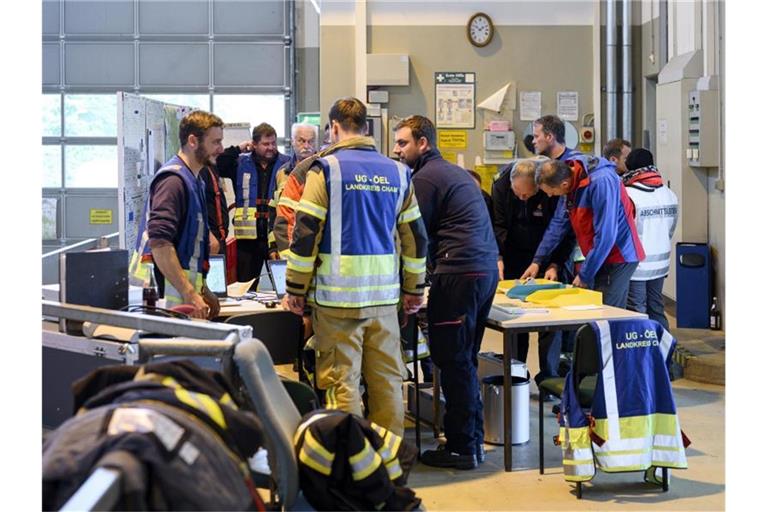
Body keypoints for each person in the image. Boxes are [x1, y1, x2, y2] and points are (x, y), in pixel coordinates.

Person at [284, 97, 428, 437]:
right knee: (388, 382)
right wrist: (414, 288)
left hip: (337, 304)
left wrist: (295, 288)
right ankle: (390, 465)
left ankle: (351, 468)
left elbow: (305, 234)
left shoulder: (327, 170)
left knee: (342, 385)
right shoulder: (398, 172)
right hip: (384, 302)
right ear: (366, 127)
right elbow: (416, 238)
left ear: (334, 127)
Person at [393, 115, 498, 470]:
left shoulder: (425, 179)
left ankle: (461, 448)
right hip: (480, 271)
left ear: (423, 143)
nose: (396, 149)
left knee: (452, 360)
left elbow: (414, 236)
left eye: (403, 142)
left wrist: (410, 286)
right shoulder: (451, 172)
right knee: (464, 358)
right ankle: (471, 440)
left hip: (458, 273)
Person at [129, 110, 224, 319]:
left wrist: (203, 290)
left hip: (178, 297)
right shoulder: (173, 182)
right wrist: (190, 293)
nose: (221, 149)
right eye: (215, 142)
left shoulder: (194, 179)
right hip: (161, 297)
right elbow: (160, 243)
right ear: (193, 141)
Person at [491, 159, 574, 387]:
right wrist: (498, 257)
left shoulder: (552, 190)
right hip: (513, 256)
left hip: (548, 259)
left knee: (550, 319)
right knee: (516, 319)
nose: (522, 199)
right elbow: (497, 225)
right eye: (518, 194)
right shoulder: (501, 187)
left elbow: (566, 232)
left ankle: (549, 376)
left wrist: (555, 263)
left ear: (539, 187)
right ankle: (518, 374)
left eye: (527, 196)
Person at [522, 156, 645, 308]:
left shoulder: (601, 182)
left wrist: (585, 274)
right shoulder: (569, 182)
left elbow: (606, 235)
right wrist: (537, 261)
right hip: (599, 256)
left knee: (608, 313)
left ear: (564, 184)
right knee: (595, 310)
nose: (550, 196)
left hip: (618, 255)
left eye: (552, 192)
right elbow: (558, 225)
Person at [216, 122, 290, 285]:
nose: (271, 147)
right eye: (265, 144)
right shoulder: (240, 163)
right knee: (244, 288)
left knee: (284, 287)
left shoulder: (287, 165)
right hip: (247, 243)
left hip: (277, 238)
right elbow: (217, 163)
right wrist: (238, 149)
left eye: (273, 143)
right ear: (254, 144)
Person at [623, 148, 678, 330]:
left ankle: (643, 356)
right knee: (656, 308)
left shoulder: (629, 194)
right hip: (661, 265)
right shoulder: (669, 193)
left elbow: (625, 232)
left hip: (637, 265)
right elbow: (671, 229)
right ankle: (663, 353)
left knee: (637, 312)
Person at [270, 123, 319, 258]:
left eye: (311, 141)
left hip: (314, 244)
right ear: (292, 141)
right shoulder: (282, 173)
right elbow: (274, 211)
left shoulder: (323, 171)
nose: (307, 146)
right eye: (301, 141)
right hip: (286, 243)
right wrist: (273, 246)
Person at [200, 162, 229, 255]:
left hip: (219, 236)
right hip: (210, 239)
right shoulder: (201, 170)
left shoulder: (212, 168)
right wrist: (208, 234)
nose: (220, 150)